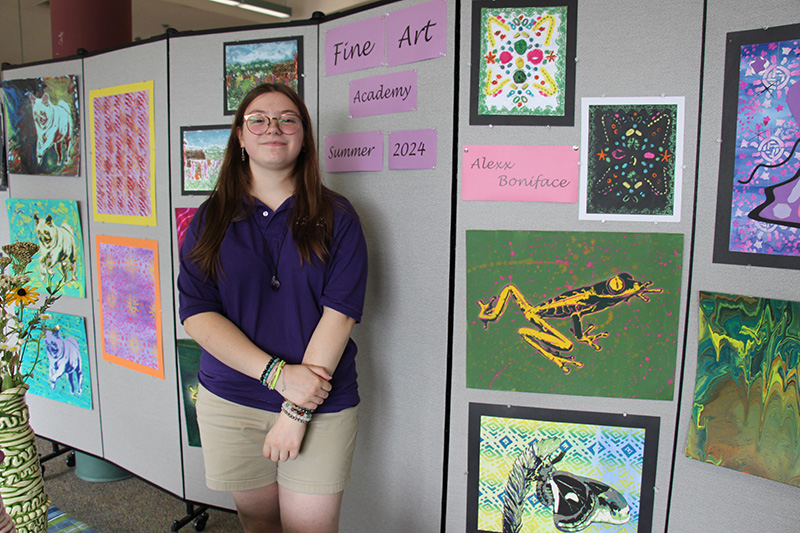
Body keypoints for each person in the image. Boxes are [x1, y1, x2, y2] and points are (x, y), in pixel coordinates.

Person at [177, 83, 368, 533]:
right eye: (258, 120)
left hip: (321, 402)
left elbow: (339, 314)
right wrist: (276, 375)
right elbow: (198, 314)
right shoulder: (208, 219)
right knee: (258, 523)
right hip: (231, 399)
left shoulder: (339, 216)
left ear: (303, 136)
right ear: (240, 138)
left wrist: (296, 410)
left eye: (288, 119)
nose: (273, 128)